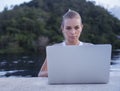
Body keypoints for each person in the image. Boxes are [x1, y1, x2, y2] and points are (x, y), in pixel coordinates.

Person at [38, 9, 92, 77]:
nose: (73, 32)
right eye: (68, 28)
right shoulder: (55, 49)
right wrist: (60, 73)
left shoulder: (90, 48)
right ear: (62, 28)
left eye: (76, 27)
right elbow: (41, 74)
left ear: (81, 28)